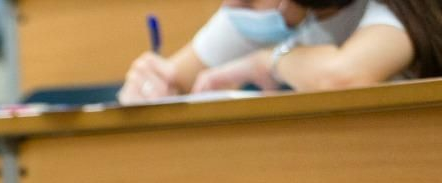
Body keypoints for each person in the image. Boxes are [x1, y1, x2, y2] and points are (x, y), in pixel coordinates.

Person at [119, 0, 441, 103]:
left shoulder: (398, 10)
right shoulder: (255, 12)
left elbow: (343, 77)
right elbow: (173, 79)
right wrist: (142, 86)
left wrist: (269, 61)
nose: (230, 6)